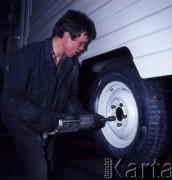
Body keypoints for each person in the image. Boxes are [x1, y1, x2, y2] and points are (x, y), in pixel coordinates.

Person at [1, 10, 105, 180]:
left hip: (48, 118)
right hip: (21, 120)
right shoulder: (27, 56)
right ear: (66, 35)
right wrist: (40, 116)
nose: (83, 49)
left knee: (49, 166)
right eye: (81, 43)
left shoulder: (72, 66)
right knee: (38, 167)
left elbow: (70, 99)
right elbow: (10, 99)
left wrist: (83, 117)